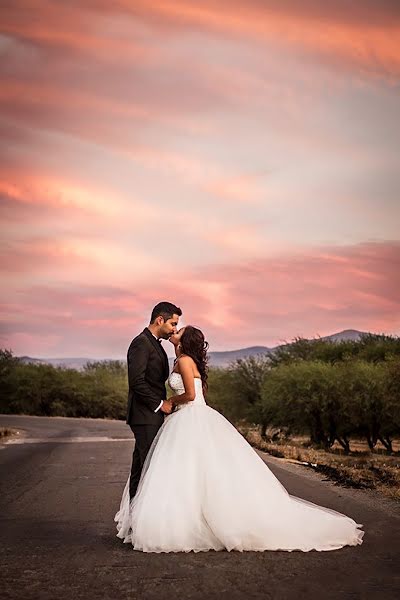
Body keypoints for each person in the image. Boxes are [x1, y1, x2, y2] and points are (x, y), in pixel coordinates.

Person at [115, 325, 364, 553]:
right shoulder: (183, 359)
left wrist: (170, 402)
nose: (174, 332)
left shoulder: (184, 360)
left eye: (178, 330)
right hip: (190, 416)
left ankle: (189, 522)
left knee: (189, 469)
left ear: (185, 340)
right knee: (194, 471)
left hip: (189, 414)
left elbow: (191, 394)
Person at [125, 301, 182, 500]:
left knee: (141, 469)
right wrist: (160, 404)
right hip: (145, 415)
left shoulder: (153, 344)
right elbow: (136, 381)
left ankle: (134, 518)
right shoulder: (141, 342)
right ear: (160, 320)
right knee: (149, 469)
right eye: (173, 324)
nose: (174, 329)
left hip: (151, 416)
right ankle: (141, 521)